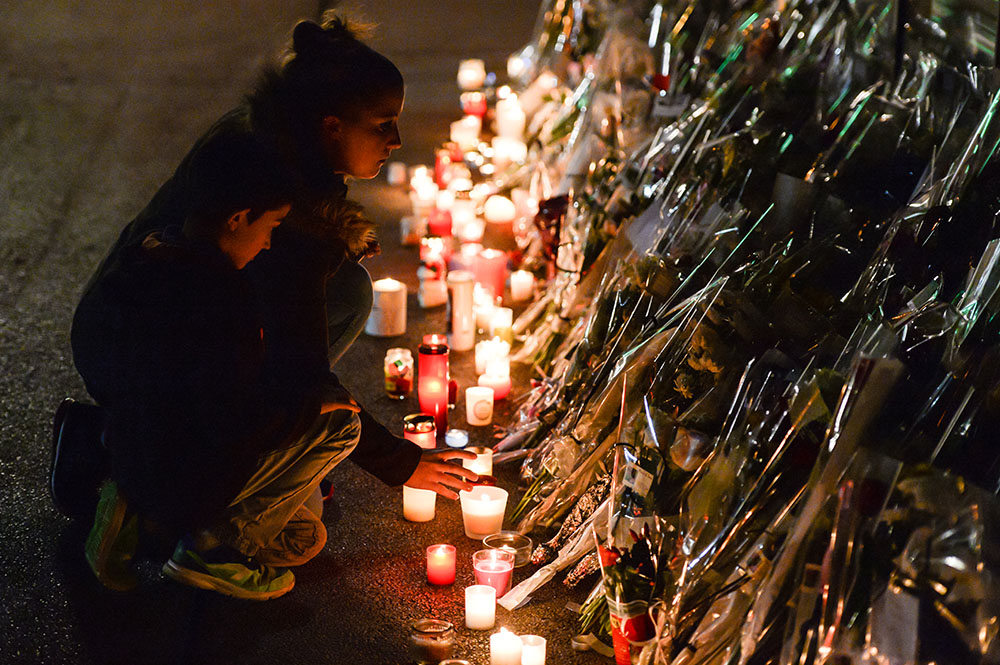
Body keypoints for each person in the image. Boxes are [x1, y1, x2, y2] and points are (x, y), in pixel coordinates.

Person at [57, 14, 479, 596]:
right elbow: (305, 372)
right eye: (384, 125)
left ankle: (139, 466)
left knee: (302, 529)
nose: (397, 141)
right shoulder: (280, 214)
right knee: (327, 430)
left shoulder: (264, 142)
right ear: (330, 126)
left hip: (119, 326)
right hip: (137, 358)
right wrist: (400, 463)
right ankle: (190, 528)